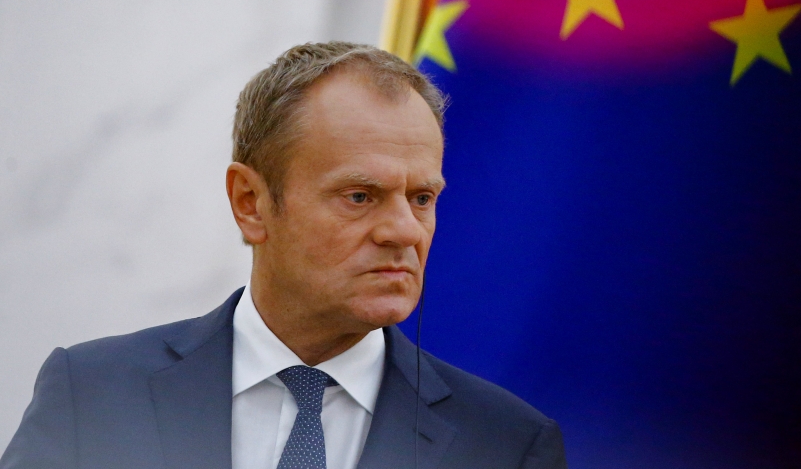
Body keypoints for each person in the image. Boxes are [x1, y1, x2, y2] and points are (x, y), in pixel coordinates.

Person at [0, 42, 567, 469]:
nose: (403, 230)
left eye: (422, 198)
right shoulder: (94, 394)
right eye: (360, 196)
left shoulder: (506, 445)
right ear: (251, 203)